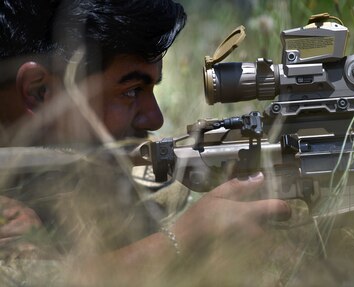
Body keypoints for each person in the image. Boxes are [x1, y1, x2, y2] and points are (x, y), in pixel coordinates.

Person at [0, 0, 291, 285]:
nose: (155, 119)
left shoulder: (96, 175)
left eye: (151, 89)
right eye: (131, 91)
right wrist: (184, 240)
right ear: (39, 91)